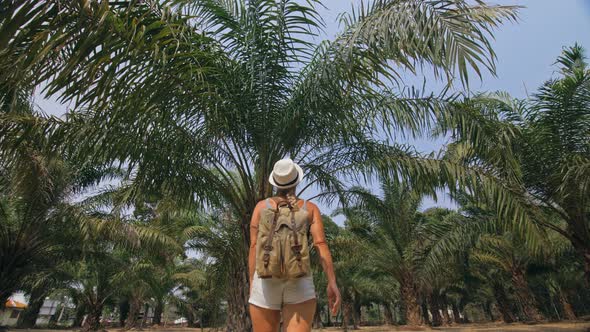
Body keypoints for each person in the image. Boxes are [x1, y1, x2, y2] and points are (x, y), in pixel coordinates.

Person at [248, 158, 341, 332]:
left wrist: (253, 284)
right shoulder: (309, 208)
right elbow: (320, 244)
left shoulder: (261, 208)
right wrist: (332, 282)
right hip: (300, 281)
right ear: (296, 181)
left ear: (275, 182)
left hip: (265, 282)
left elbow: (254, 247)